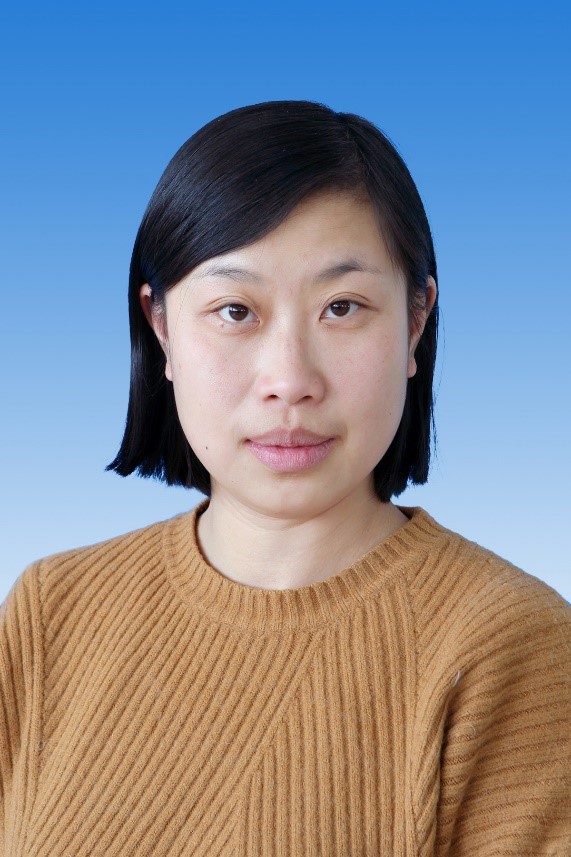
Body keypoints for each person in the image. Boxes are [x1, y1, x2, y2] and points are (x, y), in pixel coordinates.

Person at [1, 101, 569, 857]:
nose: (290, 379)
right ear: (161, 328)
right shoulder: (51, 611)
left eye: (342, 307)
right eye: (235, 310)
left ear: (415, 322)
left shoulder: (513, 645)